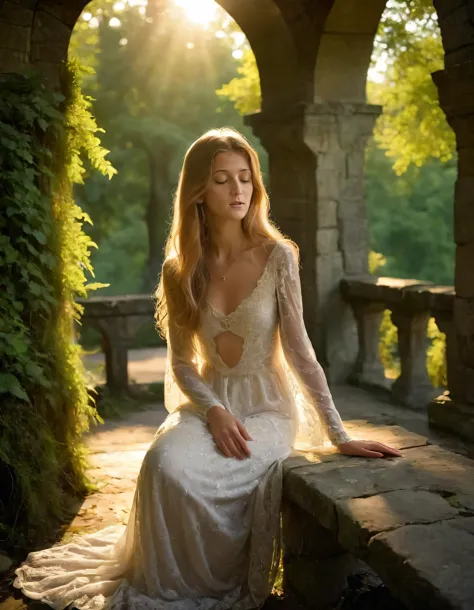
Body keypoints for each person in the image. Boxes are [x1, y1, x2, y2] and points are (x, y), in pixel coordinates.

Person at [14, 128, 401, 610]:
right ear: (199, 190)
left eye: (245, 178)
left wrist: (338, 434)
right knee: (164, 464)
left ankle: (217, 586)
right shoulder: (180, 269)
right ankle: (168, 586)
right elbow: (180, 362)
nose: (238, 190)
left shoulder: (278, 256)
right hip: (210, 402)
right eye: (223, 180)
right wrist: (214, 409)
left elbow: (301, 352)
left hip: (267, 409)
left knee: (218, 474)